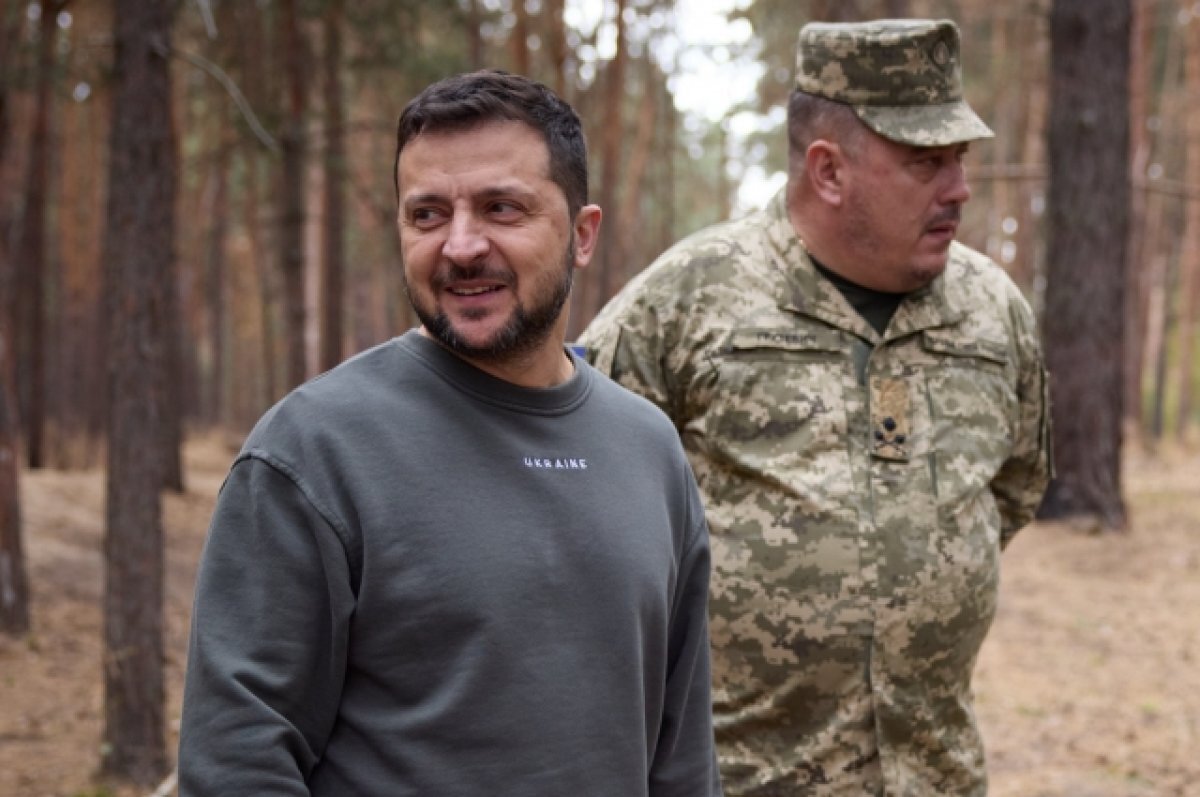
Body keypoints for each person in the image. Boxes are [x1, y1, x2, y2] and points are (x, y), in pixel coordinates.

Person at [178, 70, 722, 797]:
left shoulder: (649, 450)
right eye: (428, 214)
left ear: (583, 234)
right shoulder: (313, 450)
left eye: (502, 208)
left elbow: (682, 760)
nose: (461, 246)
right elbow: (235, 761)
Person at [579, 19, 1052, 797]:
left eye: (959, 158)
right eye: (925, 162)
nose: (960, 188)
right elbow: (574, 491)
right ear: (829, 171)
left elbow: (1014, 488)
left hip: (937, 778)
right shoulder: (689, 300)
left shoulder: (992, 312)